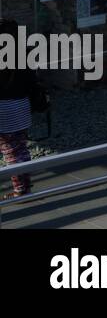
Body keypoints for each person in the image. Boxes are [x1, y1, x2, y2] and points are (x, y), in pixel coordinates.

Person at [0, 19, 35, 199]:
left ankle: (20, 190)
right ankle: (26, 185)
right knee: (21, 148)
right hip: (22, 105)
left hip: (3, 109)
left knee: (9, 151)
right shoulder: (24, 53)